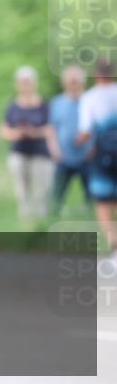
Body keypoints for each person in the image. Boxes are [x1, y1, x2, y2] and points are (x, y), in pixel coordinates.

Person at [0, 66, 53, 223]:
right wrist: (17, 134)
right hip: (19, 151)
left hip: (40, 152)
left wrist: (34, 132)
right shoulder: (12, 106)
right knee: (22, 191)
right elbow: (4, 130)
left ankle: (41, 223)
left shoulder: (44, 105)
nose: (25, 85)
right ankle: (26, 223)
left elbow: (51, 129)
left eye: (28, 81)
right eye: (22, 82)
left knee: (41, 190)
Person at [76, 59, 117, 263]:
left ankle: (114, 244)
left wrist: (77, 142)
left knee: (103, 203)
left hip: (103, 158)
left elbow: (85, 132)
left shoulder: (90, 98)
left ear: (96, 75)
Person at [46, 65, 92, 215]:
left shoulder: (90, 101)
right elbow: (51, 129)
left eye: (77, 81)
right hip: (63, 156)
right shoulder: (57, 103)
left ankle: (93, 220)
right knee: (57, 193)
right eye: (71, 81)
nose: (74, 85)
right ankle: (52, 219)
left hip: (87, 156)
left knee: (92, 193)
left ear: (83, 82)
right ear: (64, 83)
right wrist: (54, 149)